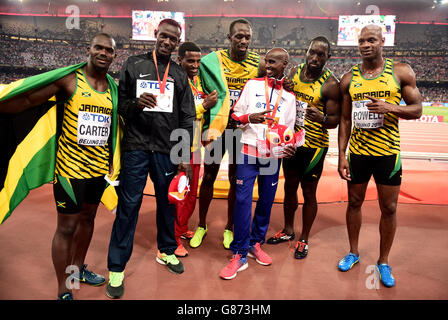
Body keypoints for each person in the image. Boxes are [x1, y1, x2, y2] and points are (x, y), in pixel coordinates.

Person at [0, 33, 119, 300]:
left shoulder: (113, 87)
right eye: (98, 48)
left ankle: (77, 270)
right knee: (66, 228)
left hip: (98, 172)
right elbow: (29, 101)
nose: (103, 53)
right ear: (89, 50)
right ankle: (63, 287)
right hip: (69, 172)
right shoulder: (70, 80)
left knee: (88, 219)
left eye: (108, 50)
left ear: (114, 55)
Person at [106, 19, 195, 299]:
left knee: (167, 204)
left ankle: (167, 251)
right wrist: (135, 104)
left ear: (177, 43)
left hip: (167, 151)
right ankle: (117, 267)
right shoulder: (133, 64)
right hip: (136, 147)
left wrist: (183, 155)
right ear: (155, 35)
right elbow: (120, 104)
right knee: (128, 206)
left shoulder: (179, 75)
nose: (168, 42)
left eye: (173, 40)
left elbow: (187, 117)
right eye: (164, 37)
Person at [337, 25, 422, 287]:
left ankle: (383, 261)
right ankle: (353, 252)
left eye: (371, 40)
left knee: (390, 208)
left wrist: (390, 107)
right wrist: (341, 154)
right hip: (359, 153)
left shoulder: (400, 72)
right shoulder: (349, 78)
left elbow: (417, 109)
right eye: (361, 40)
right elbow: (344, 118)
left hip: (388, 153)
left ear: (382, 41)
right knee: (353, 203)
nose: (365, 45)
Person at [219, 48, 298, 280]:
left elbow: (289, 131)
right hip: (248, 152)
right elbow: (234, 115)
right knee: (243, 201)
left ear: (285, 63)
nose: (268, 65)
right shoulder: (252, 85)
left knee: (265, 201)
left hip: (273, 156)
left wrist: (290, 146)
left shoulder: (290, 97)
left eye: (273, 62)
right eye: (266, 61)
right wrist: (248, 118)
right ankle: (239, 253)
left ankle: (255, 243)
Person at [190, 18, 266, 250]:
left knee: (236, 180)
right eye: (239, 36)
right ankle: (201, 225)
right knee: (209, 177)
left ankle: (229, 228)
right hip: (217, 129)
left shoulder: (258, 64)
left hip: (241, 132)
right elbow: (197, 89)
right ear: (229, 38)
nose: (243, 41)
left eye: (247, 37)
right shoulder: (211, 62)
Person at [266, 36, 340, 260]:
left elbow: (335, 120)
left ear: (328, 57)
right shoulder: (294, 73)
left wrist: (322, 117)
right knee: (289, 188)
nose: (315, 58)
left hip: (314, 147)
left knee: (308, 192)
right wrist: (285, 87)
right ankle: (288, 230)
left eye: (321, 54)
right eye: (312, 52)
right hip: (291, 142)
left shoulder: (331, 85)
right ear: (306, 52)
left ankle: (304, 237)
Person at [174, 42, 218, 257]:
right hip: (180, 143)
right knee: (179, 192)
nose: (195, 65)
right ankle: (171, 240)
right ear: (179, 60)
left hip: (197, 144)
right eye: (190, 61)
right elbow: (178, 114)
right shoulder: (175, 81)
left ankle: (181, 228)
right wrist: (203, 106)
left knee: (191, 191)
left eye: (198, 61)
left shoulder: (199, 81)